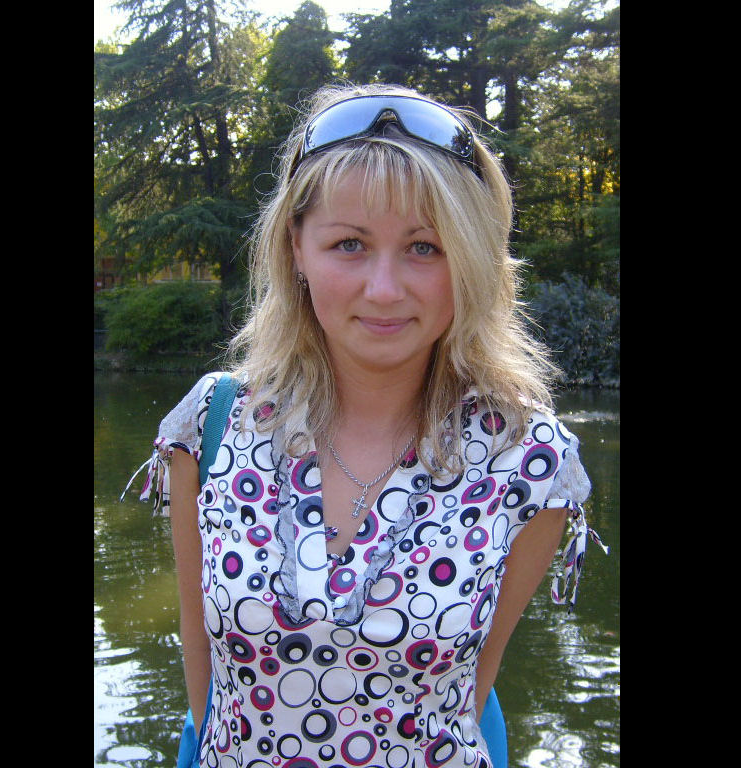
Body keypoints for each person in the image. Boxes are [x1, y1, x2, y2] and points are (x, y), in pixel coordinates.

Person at [125, 82, 607, 768]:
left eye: (425, 248)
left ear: (471, 259)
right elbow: (202, 672)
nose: (384, 289)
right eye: (349, 243)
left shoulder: (529, 459)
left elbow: (472, 690)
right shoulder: (212, 425)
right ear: (296, 248)